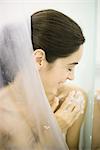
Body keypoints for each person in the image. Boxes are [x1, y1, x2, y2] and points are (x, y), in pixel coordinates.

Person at [0, 9, 86, 150]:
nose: (72, 77)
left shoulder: (70, 99)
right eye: (69, 68)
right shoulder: (2, 114)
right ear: (39, 60)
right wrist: (55, 128)